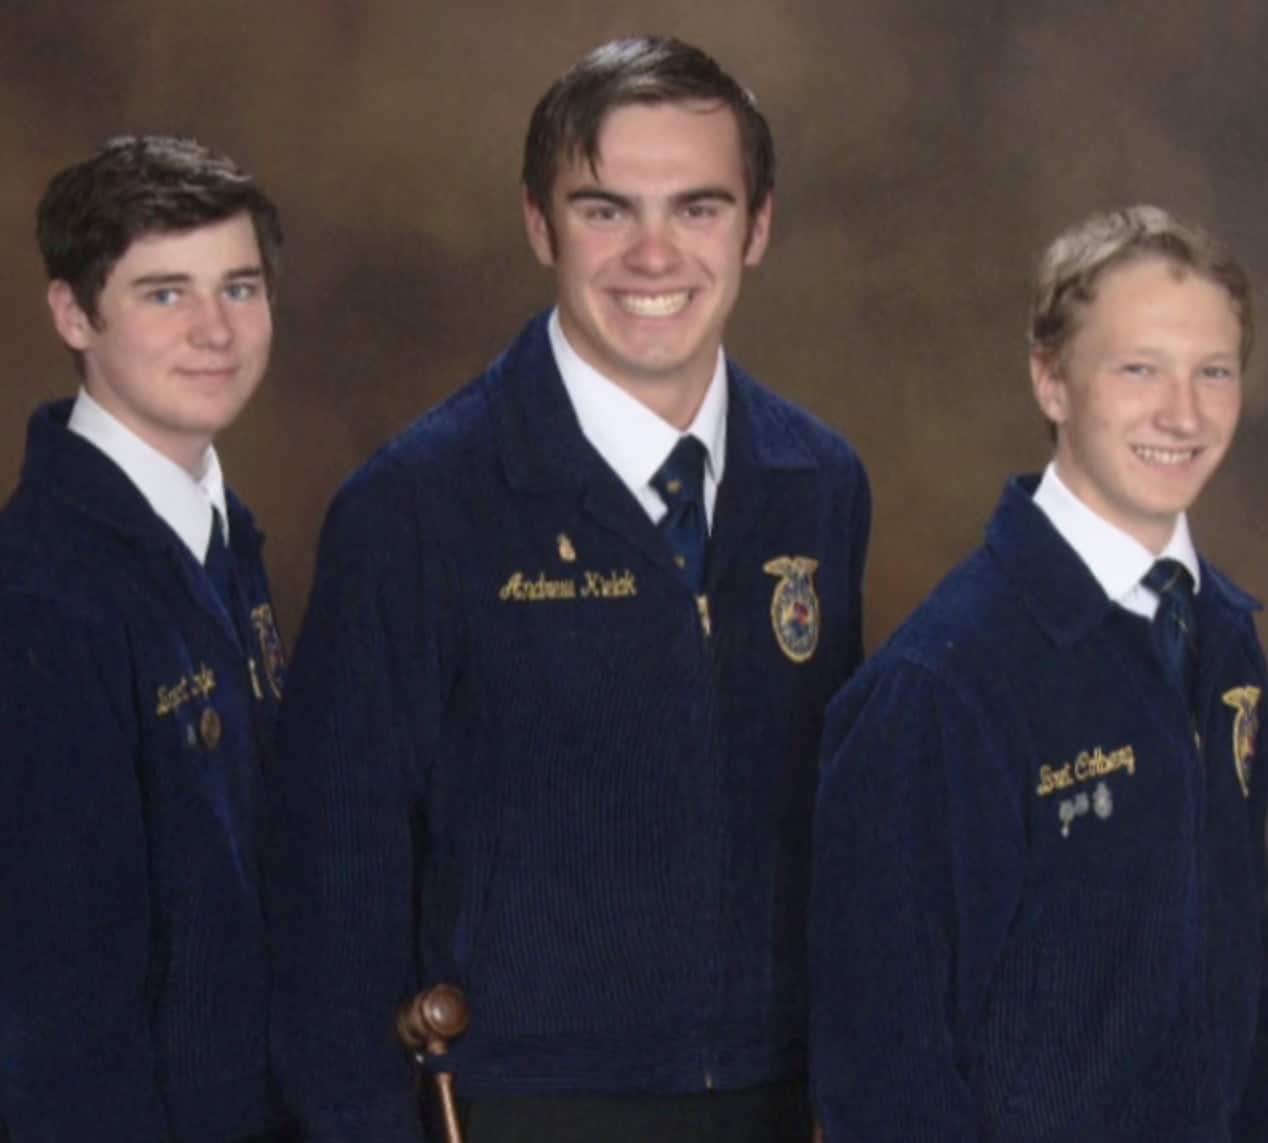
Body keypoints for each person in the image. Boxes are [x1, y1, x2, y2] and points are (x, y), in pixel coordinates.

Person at [268, 35, 870, 1143]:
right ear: (540, 225)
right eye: (605, 209)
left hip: (775, 1098)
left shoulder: (819, 485)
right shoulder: (415, 507)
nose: (653, 256)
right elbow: (329, 890)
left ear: (758, 225)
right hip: (511, 1104)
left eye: (696, 207)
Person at [810, 205, 1268, 1141]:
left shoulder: (1227, 641)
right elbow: (882, 1067)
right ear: (1050, 378)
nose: (1182, 414)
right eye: (1138, 368)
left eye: (1212, 371)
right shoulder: (942, 688)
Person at [0, 135, 291, 1141]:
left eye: (240, 288)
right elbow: (54, 1006)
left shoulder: (222, 539)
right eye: (165, 293)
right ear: (74, 314)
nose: (216, 330)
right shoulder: (42, 598)